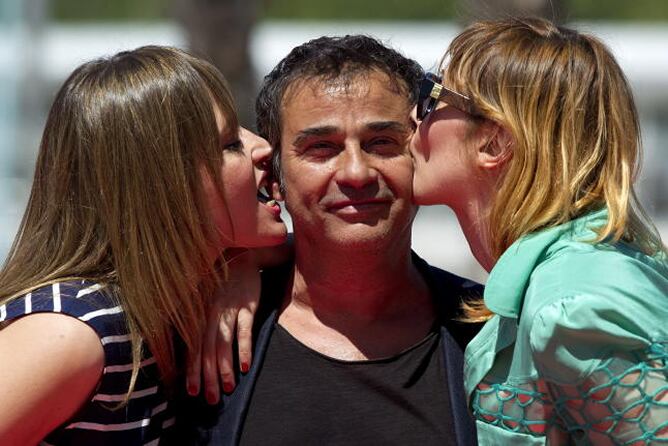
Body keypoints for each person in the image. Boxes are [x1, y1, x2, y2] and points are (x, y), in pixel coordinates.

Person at [180, 35, 482, 446]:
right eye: (322, 147)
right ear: (275, 177)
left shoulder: (495, 337)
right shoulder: (198, 337)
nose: (356, 173)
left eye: (382, 143)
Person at [0, 45, 287, 445]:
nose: (263, 147)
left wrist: (240, 262)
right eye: (229, 145)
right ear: (161, 185)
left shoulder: (160, 303)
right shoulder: (73, 333)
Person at [410, 17, 668, 444]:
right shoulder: (558, 286)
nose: (410, 117)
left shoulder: (574, 309)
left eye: (431, 96)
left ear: (493, 143)